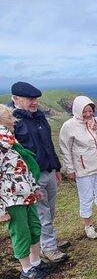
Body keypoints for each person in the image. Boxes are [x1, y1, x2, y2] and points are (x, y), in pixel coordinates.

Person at [11, 82, 68, 263]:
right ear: (15, 99)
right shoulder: (12, 122)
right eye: (29, 99)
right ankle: (50, 248)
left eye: (35, 99)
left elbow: (48, 145)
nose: (34, 102)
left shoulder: (39, 117)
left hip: (49, 170)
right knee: (42, 213)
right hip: (32, 176)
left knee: (50, 211)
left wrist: (57, 168)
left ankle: (47, 242)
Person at [0, 105, 52, 279]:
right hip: (12, 200)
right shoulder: (2, 144)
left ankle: (36, 262)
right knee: (21, 232)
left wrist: (35, 188)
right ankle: (26, 269)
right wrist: (1, 210)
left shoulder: (13, 142)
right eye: (9, 118)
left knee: (34, 227)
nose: (13, 122)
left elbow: (24, 169)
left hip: (27, 195)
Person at [59, 96, 97, 239]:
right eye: (84, 111)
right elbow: (65, 148)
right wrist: (70, 169)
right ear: (77, 110)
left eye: (90, 111)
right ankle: (88, 226)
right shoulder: (69, 126)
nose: (88, 114)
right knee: (86, 197)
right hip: (83, 169)